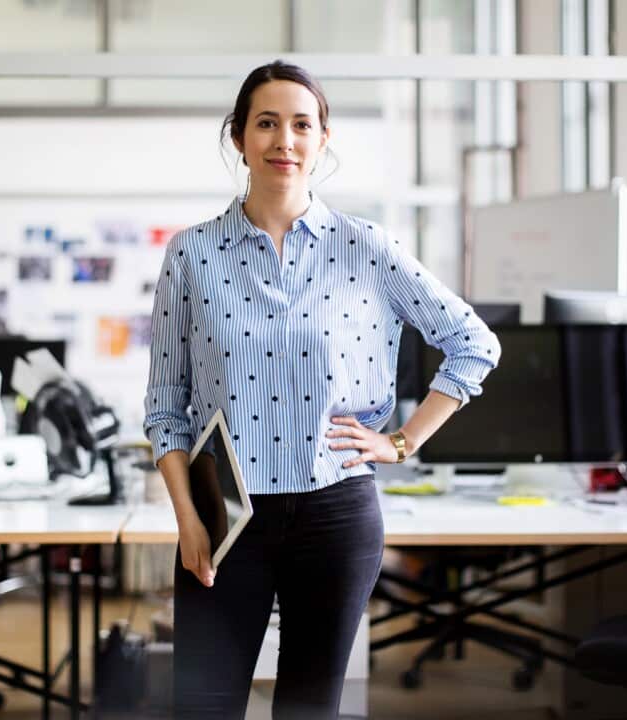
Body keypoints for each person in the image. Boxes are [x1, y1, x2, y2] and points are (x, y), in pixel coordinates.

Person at [143, 60, 501, 720]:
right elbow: (166, 405)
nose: (285, 140)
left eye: (301, 125)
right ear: (239, 138)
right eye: (268, 123)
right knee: (203, 706)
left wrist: (402, 440)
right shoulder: (192, 254)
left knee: (309, 708)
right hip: (225, 516)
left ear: (323, 139)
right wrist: (186, 518)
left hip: (335, 511)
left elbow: (475, 343)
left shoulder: (366, 246)